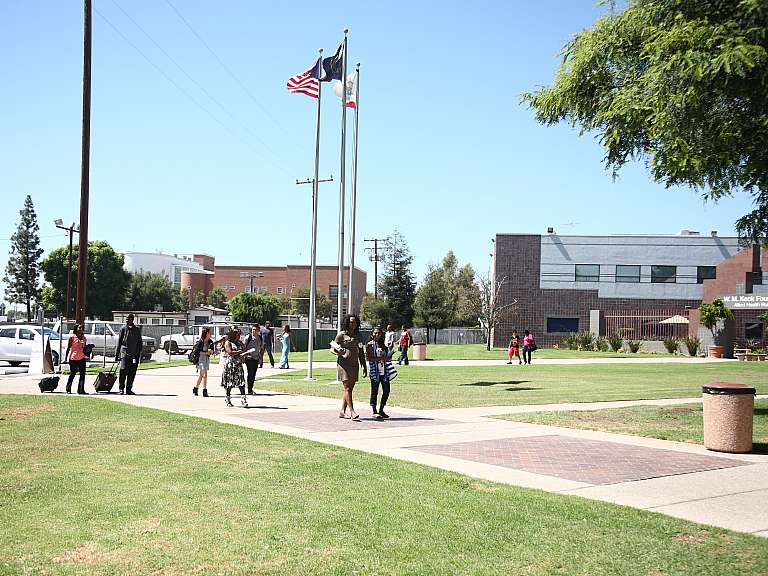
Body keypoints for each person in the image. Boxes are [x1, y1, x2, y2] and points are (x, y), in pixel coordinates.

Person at [332, 314, 367, 420]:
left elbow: (361, 350)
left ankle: (342, 411)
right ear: (347, 323)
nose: (353, 324)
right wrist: (338, 352)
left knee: (349, 389)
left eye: (355, 322)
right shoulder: (341, 335)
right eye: (351, 322)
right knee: (347, 388)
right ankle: (352, 411)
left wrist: (364, 365)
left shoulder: (359, 335)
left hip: (354, 364)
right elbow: (332, 348)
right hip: (343, 364)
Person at [116, 313, 143, 395]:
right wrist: (117, 355)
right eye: (126, 319)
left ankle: (129, 389)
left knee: (132, 373)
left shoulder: (137, 330)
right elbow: (119, 342)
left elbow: (140, 343)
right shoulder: (123, 329)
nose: (127, 320)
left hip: (134, 356)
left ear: (132, 320)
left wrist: (138, 354)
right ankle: (121, 388)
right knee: (123, 371)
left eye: (129, 319)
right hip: (125, 354)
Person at [366, 327, 390, 419]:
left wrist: (387, 357)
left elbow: (386, 357)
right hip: (375, 371)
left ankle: (381, 410)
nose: (377, 335)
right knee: (374, 391)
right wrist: (380, 358)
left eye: (379, 333)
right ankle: (374, 411)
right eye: (375, 333)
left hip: (384, 371)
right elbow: (369, 358)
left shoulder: (383, 345)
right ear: (372, 334)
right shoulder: (370, 345)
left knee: (386, 390)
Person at [221, 328, 247, 407]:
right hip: (230, 365)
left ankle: (243, 399)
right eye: (238, 335)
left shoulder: (239, 342)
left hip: (238, 364)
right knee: (229, 383)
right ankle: (228, 399)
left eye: (239, 335)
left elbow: (244, 349)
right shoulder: (228, 342)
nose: (239, 336)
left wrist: (244, 355)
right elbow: (230, 352)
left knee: (241, 382)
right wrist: (239, 352)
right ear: (233, 335)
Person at [64, 324, 88, 395]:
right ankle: (68, 389)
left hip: (82, 358)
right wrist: (66, 358)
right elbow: (68, 348)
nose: (81, 329)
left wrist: (88, 350)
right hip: (73, 359)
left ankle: (81, 390)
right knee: (73, 374)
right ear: (76, 329)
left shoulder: (84, 338)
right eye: (79, 328)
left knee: (82, 375)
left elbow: (85, 348)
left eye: (81, 328)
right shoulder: (72, 338)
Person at [192, 327, 214, 397]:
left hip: (206, 359)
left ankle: (196, 388)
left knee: (202, 375)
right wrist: (206, 353)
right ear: (206, 333)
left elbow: (212, 351)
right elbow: (197, 352)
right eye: (210, 333)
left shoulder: (210, 342)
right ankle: (205, 390)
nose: (211, 334)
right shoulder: (201, 342)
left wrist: (211, 351)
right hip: (200, 359)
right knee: (204, 375)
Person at [243, 324, 263, 394]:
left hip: (256, 358)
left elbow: (261, 348)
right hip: (249, 358)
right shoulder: (248, 337)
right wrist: (244, 356)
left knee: (253, 374)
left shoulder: (260, 338)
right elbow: (244, 347)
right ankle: (249, 389)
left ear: (258, 330)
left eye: (255, 330)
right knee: (250, 373)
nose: (253, 331)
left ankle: (250, 388)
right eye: (253, 329)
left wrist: (260, 358)